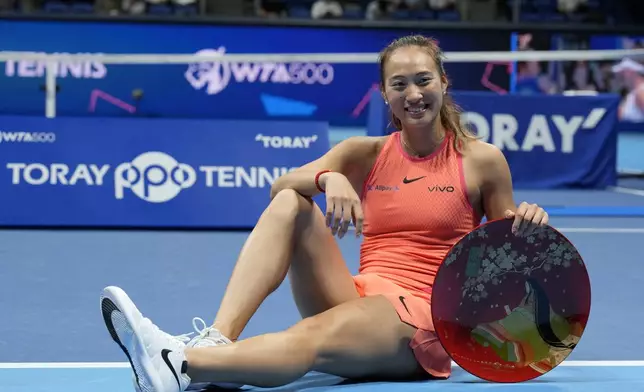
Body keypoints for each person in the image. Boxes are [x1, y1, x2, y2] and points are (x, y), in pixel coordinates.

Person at [100, 35, 549, 392]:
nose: (413, 93)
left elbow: (509, 257)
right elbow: (281, 187)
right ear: (384, 95)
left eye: (424, 80)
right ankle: (219, 337)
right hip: (358, 293)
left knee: (311, 338)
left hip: (418, 317)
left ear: (443, 82)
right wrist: (327, 178)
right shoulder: (363, 153)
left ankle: (180, 363)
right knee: (291, 202)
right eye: (399, 84)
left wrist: (529, 224)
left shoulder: (481, 160)